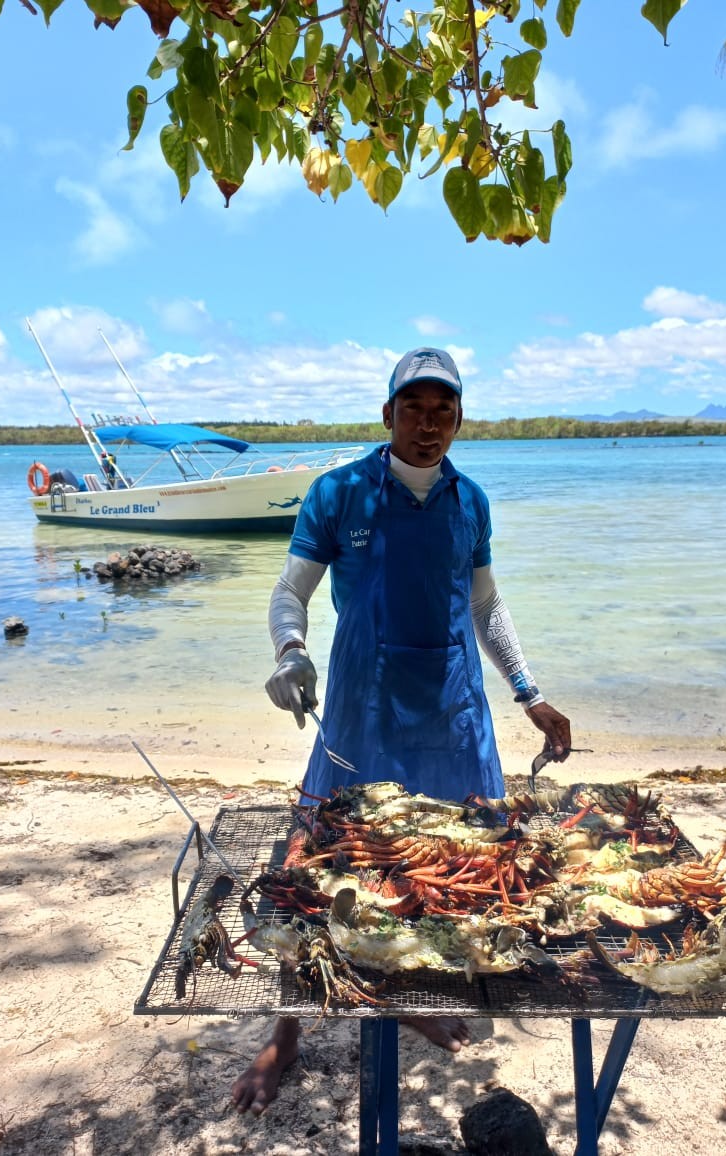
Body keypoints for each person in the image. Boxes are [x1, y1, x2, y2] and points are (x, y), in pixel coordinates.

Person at [231, 347, 571, 1117]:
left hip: (452, 707)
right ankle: (285, 1034)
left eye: (442, 411)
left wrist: (529, 693)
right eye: (412, 409)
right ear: (386, 416)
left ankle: (408, 990)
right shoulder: (339, 492)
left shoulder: (469, 501)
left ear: (458, 419)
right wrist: (289, 652)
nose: (427, 425)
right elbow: (290, 590)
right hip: (361, 704)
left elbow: (485, 606)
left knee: (458, 856)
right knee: (316, 860)